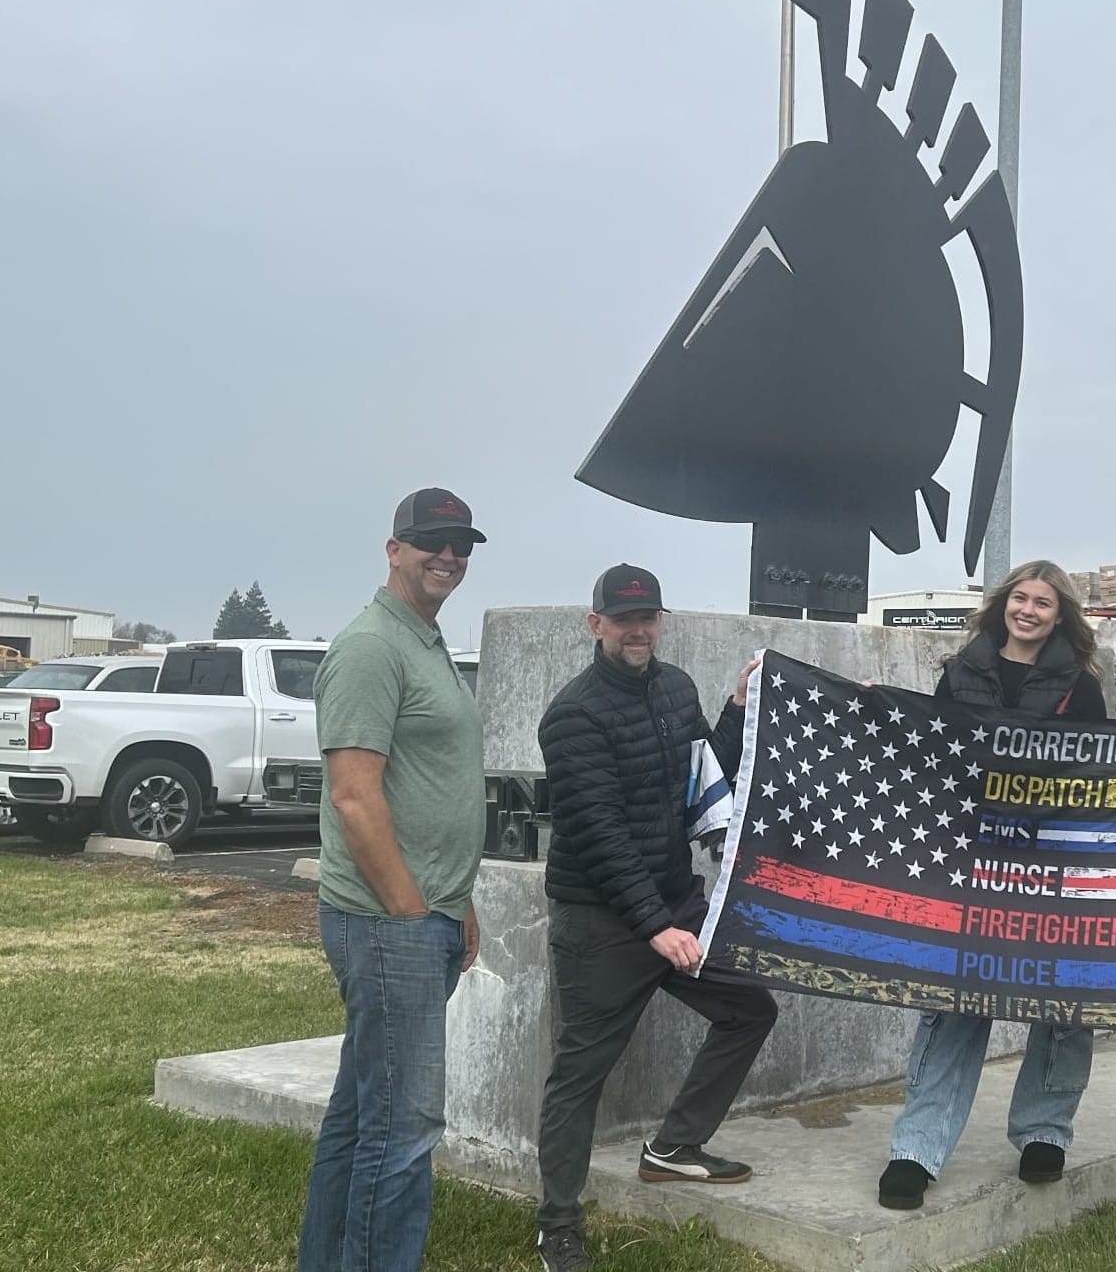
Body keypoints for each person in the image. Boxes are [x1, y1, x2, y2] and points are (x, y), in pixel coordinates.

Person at [534, 564, 777, 1272]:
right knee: (580, 1076)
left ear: (660, 621)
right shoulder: (572, 715)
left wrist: (735, 709)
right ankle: (557, 1228)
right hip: (602, 925)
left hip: (672, 905)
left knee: (749, 1012)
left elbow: (706, 782)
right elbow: (601, 835)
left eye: (648, 618)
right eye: (623, 619)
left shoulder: (675, 689)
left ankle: (672, 1148)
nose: (637, 630)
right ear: (596, 625)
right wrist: (655, 927)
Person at [878, 559, 1110, 1210]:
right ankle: (916, 1149)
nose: (1028, 609)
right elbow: (932, 752)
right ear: (1003, 603)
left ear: (1059, 615)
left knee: (1064, 1003)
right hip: (972, 861)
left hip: (1053, 862)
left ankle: (1045, 1132)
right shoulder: (960, 671)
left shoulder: (1081, 688)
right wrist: (879, 709)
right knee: (956, 1000)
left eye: (1043, 602)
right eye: (1019, 598)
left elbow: (1097, 775)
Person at [296, 488, 489, 1272]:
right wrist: (412, 912)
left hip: (424, 913)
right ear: (393, 548)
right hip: (387, 922)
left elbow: (424, 784)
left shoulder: (425, 640)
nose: (447, 555)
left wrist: (457, 899)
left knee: (360, 1118)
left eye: (460, 544)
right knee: (405, 1132)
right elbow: (354, 794)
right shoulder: (372, 647)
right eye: (430, 542)